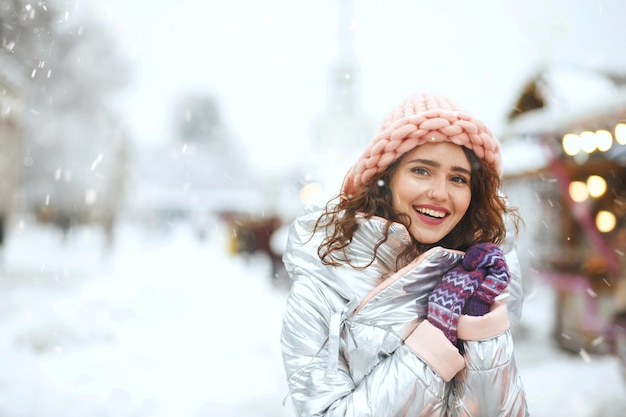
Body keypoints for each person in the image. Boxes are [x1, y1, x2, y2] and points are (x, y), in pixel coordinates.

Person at [280, 93, 529, 417]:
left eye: (457, 178)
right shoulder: (323, 284)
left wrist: (480, 324)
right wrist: (433, 341)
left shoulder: (478, 278)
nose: (440, 193)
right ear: (385, 179)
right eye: (422, 171)